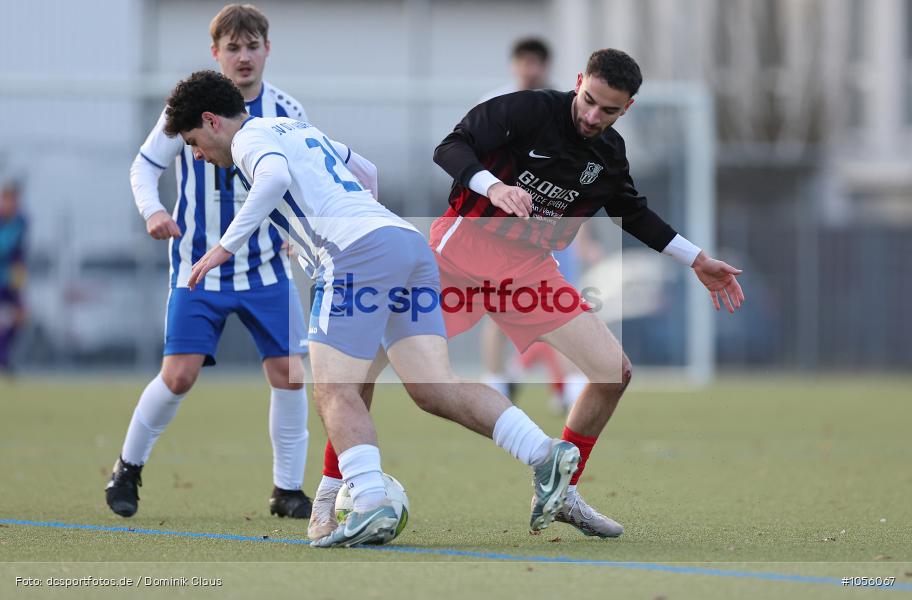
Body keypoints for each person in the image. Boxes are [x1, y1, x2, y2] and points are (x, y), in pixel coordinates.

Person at [319, 48, 745, 540]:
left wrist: (696, 259)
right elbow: (450, 147)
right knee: (364, 370)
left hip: (529, 275)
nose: (592, 116)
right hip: (455, 263)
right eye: (588, 100)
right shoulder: (527, 110)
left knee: (614, 372)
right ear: (579, 81)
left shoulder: (608, 154)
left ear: (626, 108)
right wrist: (493, 187)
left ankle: (561, 493)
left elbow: (634, 213)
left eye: (608, 110)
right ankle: (332, 495)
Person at [165, 69, 580, 547]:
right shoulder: (295, 128)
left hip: (356, 255)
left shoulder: (248, 139)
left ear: (212, 121)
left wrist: (224, 248)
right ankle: (543, 452)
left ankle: (369, 503)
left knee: (334, 391)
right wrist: (356, 227)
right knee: (435, 388)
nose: (197, 153)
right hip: (404, 243)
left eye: (194, 141)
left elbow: (275, 178)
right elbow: (366, 170)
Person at [105, 4, 313, 521]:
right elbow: (144, 166)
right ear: (215, 53)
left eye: (252, 46)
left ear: (268, 49)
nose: (243, 57)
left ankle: (286, 490)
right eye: (232, 48)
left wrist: (299, 235)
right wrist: (153, 210)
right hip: (198, 267)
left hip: (267, 267)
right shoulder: (189, 107)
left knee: (290, 374)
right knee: (178, 376)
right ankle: (128, 466)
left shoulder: (286, 109)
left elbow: (307, 180)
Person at [0, 181, 26, 375]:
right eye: (7, 199)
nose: (11, 204)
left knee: (19, 315)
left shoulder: (21, 221)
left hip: (11, 276)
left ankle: (4, 359)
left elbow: (13, 248)